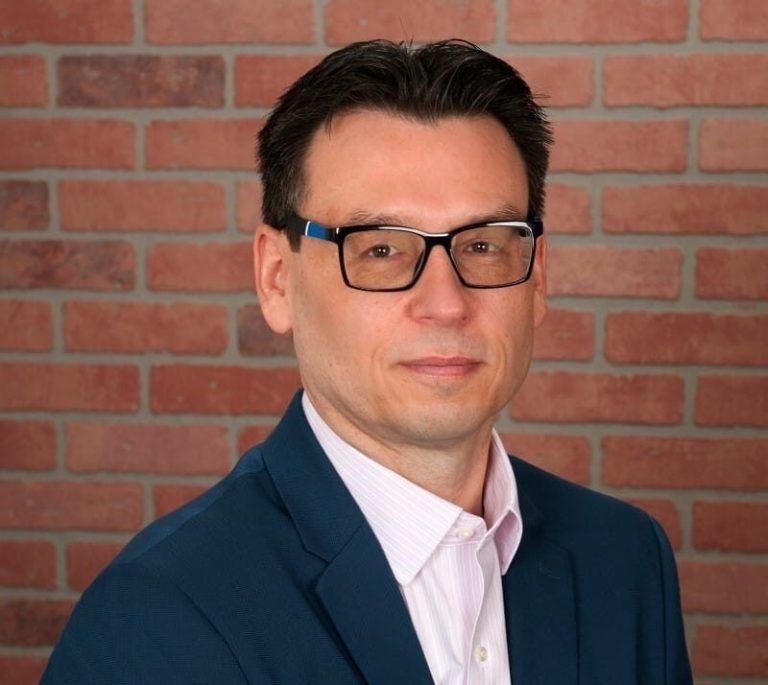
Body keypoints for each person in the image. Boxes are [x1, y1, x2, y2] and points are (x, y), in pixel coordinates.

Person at [43, 39, 692, 684]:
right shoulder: (155, 620)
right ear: (277, 278)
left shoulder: (627, 561)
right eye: (380, 249)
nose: (445, 303)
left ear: (538, 277)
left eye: (486, 245)